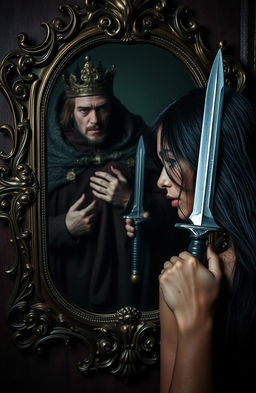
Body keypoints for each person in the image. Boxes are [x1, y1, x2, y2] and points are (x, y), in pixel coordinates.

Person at [126, 87, 256, 392]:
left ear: (212, 162)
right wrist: (194, 323)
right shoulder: (181, 277)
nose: (160, 180)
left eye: (170, 160)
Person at [47, 56, 184, 312]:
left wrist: (130, 199)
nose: (95, 120)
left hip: (133, 279)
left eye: (102, 108)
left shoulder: (141, 141)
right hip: (74, 284)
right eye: (84, 110)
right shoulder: (50, 155)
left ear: (114, 106)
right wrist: (62, 228)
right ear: (70, 111)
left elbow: (179, 213)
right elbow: (22, 227)